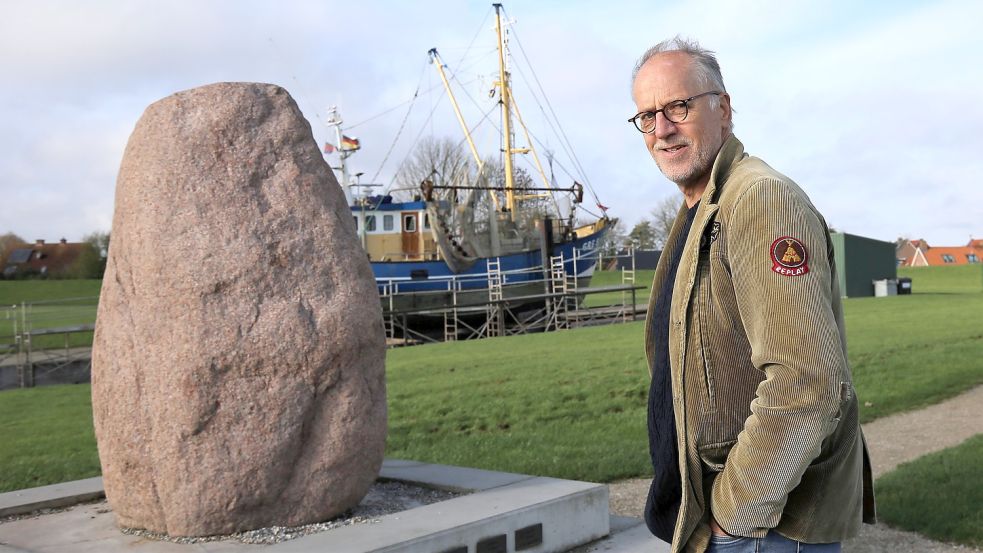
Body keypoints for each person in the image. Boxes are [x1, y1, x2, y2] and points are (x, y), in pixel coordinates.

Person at [630, 37, 875, 553]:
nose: (662, 129)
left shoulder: (758, 200)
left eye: (678, 106)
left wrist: (734, 516)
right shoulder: (703, 209)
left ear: (723, 108)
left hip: (762, 529)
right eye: (647, 116)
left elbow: (807, 380)